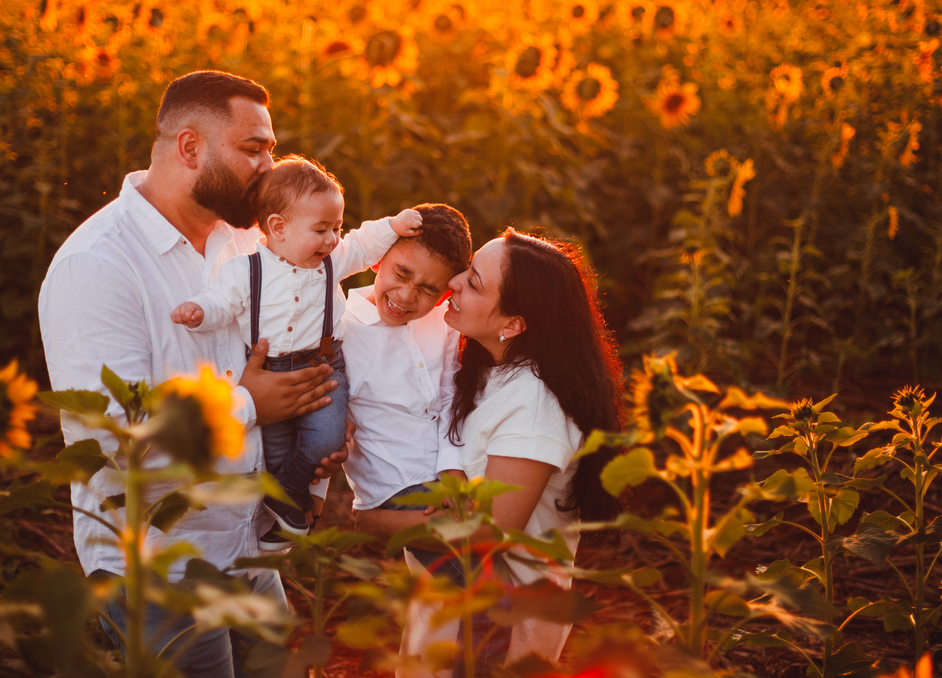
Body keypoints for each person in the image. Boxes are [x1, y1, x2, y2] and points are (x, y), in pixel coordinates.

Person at [38, 70, 345, 678]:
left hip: (247, 549)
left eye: (273, 149)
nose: (269, 166)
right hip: (160, 567)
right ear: (189, 148)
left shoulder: (246, 242)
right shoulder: (96, 267)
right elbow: (109, 446)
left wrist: (310, 429)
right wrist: (250, 405)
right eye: (254, 149)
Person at [354, 228, 624, 677]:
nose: (453, 283)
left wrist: (374, 522)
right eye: (466, 270)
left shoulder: (535, 402)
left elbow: (487, 535)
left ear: (513, 324)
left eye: (474, 281)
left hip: (494, 628)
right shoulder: (487, 367)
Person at [171, 154, 424, 547]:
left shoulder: (330, 262)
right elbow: (221, 302)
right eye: (322, 229)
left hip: (323, 366)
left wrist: (392, 226)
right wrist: (199, 311)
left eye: (336, 227)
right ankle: (284, 516)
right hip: (269, 371)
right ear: (278, 228)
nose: (332, 239)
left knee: (327, 440)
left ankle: (286, 496)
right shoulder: (246, 270)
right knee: (275, 448)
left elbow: (362, 244)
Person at [339, 203, 472, 517]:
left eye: (427, 290)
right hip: (393, 486)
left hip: (449, 470)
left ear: (443, 296)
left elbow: (452, 396)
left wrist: (452, 467)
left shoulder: (446, 323)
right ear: (378, 259)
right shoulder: (341, 331)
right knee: (465, 550)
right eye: (402, 273)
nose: (406, 296)